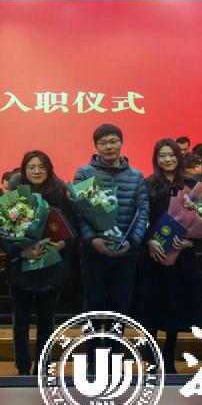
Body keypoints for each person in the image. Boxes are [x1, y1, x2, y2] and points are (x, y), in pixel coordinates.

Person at [132, 139, 202, 374]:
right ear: (156, 159)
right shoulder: (147, 185)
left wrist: (190, 241)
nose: (167, 160)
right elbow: (138, 217)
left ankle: (169, 357)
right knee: (151, 307)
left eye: (171, 155)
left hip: (181, 256)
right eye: (162, 156)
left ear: (179, 157)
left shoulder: (192, 186)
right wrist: (148, 240)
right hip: (153, 255)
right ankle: (151, 358)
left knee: (176, 307)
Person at [4, 150, 76, 376]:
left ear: (49, 169)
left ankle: (43, 366)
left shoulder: (60, 196)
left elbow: (72, 229)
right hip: (21, 268)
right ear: (24, 171)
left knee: (46, 321)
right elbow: (4, 233)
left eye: (41, 166)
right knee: (20, 322)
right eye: (31, 167)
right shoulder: (15, 196)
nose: (37, 171)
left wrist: (61, 244)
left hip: (50, 267)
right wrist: (22, 251)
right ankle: (22, 366)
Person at [73, 124, 149, 316]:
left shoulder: (136, 176)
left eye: (113, 141)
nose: (109, 147)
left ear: (121, 143)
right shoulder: (84, 174)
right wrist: (93, 239)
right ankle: (93, 338)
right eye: (103, 143)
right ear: (96, 146)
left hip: (127, 253)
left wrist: (132, 242)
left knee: (121, 306)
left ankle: (115, 338)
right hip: (94, 253)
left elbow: (143, 212)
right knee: (93, 305)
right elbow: (79, 213)